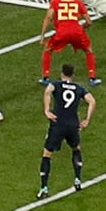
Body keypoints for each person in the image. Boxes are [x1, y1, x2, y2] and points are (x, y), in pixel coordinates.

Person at [37, 63, 96, 199]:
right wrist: (87, 119)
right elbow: (92, 101)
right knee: (76, 148)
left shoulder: (56, 84)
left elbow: (47, 91)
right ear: (73, 75)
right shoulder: (79, 88)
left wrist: (46, 110)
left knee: (47, 154)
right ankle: (77, 179)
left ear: (62, 74)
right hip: (73, 124)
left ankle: (44, 188)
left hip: (58, 124)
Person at [40, 0, 102, 87]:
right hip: (77, 32)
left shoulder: (55, 2)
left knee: (48, 49)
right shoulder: (78, 2)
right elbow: (89, 21)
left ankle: (46, 78)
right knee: (88, 50)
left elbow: (49, 17)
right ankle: (92, 78)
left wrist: (42, 35)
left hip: (62, 32)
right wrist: (81, 28)